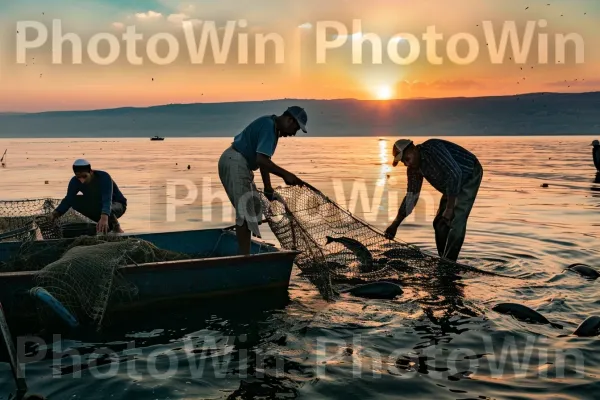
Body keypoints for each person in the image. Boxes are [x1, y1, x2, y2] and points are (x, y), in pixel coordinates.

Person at [218, 106, 307, 255]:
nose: (293, 134)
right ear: (289, 120)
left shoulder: (272, 127)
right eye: (295, 128)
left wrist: (268, 187)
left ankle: (244, 251)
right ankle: (244, 258)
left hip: (239, 162)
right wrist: (286, 175)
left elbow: (263, 160)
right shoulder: (269, 127)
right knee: (245, 212)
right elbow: (261, 159)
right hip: (235, 161)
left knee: (254, 206)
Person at [384, 139, 483, 262]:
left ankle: (450, 262)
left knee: (456, 220)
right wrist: (395, 225)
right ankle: (443, 259)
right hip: (451, 184)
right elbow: (411, 197)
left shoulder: (433, 149)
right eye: (403, 162)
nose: (406, 164)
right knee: (439, 223)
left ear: (413, 149)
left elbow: (455, 174)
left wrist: (450, 208)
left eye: (406, 159)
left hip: (469, 174)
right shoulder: (414, 169)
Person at [51, 159, 127, 234]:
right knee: (74, 201)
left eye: (84, 176)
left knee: (104, 207)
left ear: (91, 172)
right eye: (79, 177)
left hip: (116, 204)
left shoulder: (103, 177)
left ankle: (116, 226)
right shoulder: (74, 181)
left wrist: (104, 217)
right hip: (97, 204)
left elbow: (107, 199)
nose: (82, 180)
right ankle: (104, 226)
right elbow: (68, 200)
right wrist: (55, 213)